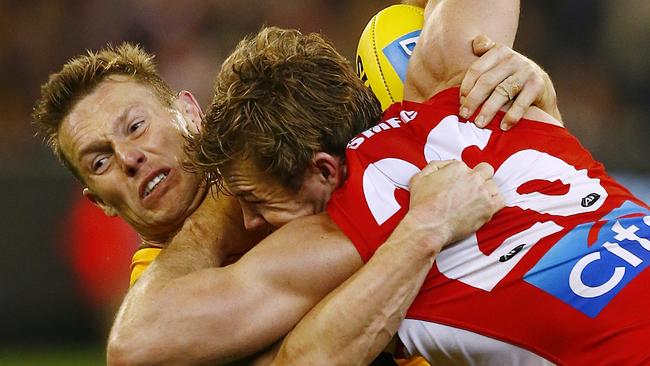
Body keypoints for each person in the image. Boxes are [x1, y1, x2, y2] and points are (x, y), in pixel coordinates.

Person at [31, 8, 560, 366]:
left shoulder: (302, 157)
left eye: (135, 126)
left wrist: (524, 85)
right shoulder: (166, 289)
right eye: (99, 161)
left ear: (190, 112)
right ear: (98, 201)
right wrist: (221, 204)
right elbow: (132, 346)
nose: (129, 158)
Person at [193, 1, 650, 365]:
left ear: (325, 171)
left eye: (254, 198)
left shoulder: (335, 238)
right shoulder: (468, 85)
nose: (248, 220)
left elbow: (142, 343)